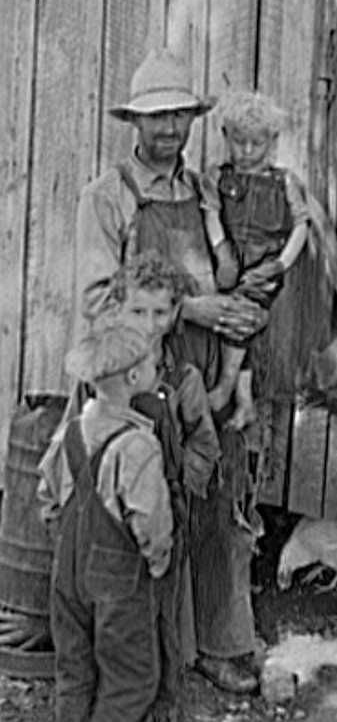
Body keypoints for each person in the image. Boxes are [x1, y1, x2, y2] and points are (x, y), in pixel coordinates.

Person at [74, 47, 263, 693]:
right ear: (134, 123)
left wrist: (239, 373)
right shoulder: (108, 197)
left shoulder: (206, 192)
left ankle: (220, 643)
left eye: (180, 117)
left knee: (217, 503)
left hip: (205, 376)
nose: (170, 131)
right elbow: (100, 305)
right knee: (145, 517)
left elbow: (241, 283)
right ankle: (142, 663)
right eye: (157, 119)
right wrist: (192, 311)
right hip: (138, 379)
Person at [103, 252, 222, 721]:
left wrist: (175, 495)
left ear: (175, 315)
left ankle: (164, 705)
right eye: (137, 311)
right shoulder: (101, 375)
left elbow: (205, 446)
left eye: (159, 312)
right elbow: (77, 439)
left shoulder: (183, 379)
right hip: (107, 522)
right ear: (118, 312)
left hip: (163, 522)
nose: (149, 323)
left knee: (161, 620)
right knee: (111, 621)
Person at [38, 320, 173, 722]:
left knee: (74, 673)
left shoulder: (70, 433)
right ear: (134, 376)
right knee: (132, 680)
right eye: (153, 365)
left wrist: (65, 546)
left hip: (67, 575)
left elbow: (47, 498)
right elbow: (150, 520)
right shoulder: (137, 445)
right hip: (117, 581)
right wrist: (157, 561)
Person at [200, 89, 310, 425]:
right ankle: (245, 401)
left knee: (242, 311)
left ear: (272, 141)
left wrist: (280, 264)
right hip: (231, 261)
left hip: (264, 266)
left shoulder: (284, 182)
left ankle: (224, 386)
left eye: (256, 144)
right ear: (225, 137)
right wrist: (221, 253)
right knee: (236, 323)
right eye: (239, 142)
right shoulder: (217, 177)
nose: (247, 152)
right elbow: (211, 214)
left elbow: (302, 226)